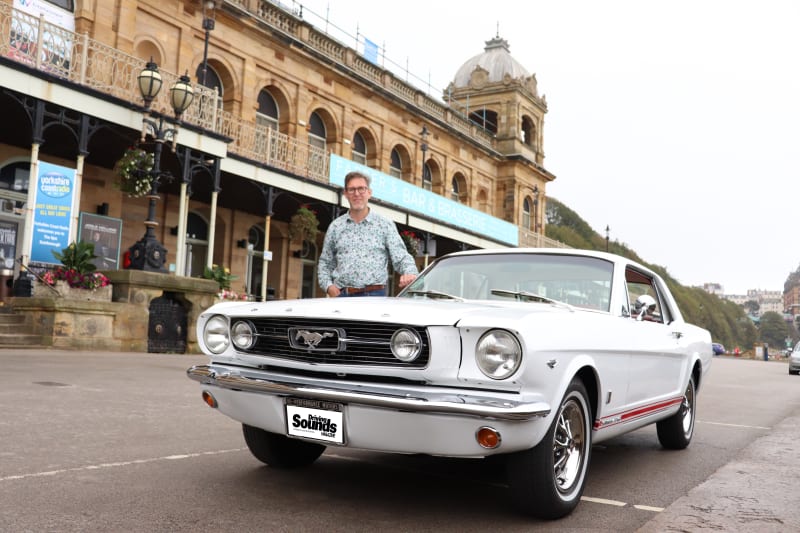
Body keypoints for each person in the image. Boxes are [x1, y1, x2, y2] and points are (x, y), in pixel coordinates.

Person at [318, 171, 418, 297]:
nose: (356, 194)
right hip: (342, 296)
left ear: (369, 193)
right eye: (351, 190)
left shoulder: (384, 225)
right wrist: (328, 286)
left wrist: (409, 272)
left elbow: (401, 256)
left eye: (361, 189)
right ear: (345, 194)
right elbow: (325, 262)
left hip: (375, 295)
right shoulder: (335, 227)